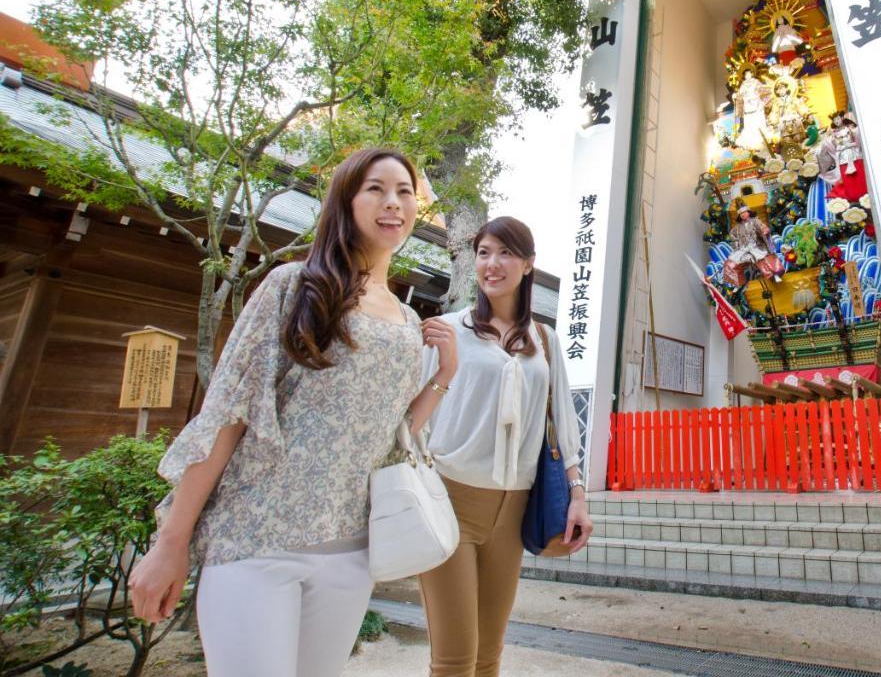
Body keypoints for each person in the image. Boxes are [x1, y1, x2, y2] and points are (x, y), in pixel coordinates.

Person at [127, 147, 459, 677]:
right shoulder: (296, 285)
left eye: (404, 192)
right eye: (376, 188)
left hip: (350, 556)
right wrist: (172, 541)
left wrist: (442, 375)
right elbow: (228, 414)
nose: (393, 202)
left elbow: (391, 439)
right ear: (346, 201)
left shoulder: (405, 318)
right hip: (256, 543)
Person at [416, 216, 591, 677]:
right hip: (450, 499)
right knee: (454, 659)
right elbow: (412, 418)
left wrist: (577, 494)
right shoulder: (446, 330)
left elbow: (561, 424)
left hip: (514, 509)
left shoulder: (546, 341)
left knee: (489, 656)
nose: (492, 264)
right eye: (484, 253)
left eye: (506, 253)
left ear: (529, 264)